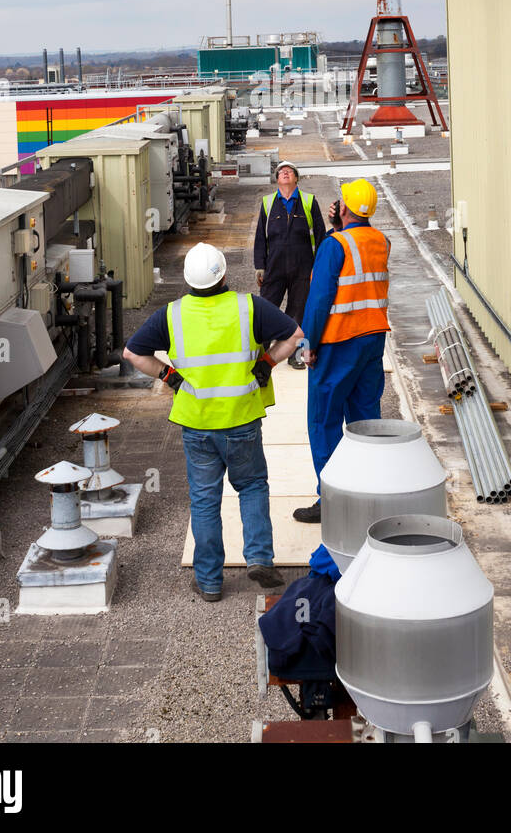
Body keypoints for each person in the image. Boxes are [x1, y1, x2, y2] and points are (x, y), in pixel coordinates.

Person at [122, 242, 303, 601]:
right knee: (251, 486)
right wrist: (266, 363)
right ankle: (258, 557)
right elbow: (294, 336)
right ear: (223, 274)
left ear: (188, 279)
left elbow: (132, 353)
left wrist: (170, 376)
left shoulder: (170, 315)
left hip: (198, 424)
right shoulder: (248, 306)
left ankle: (208, 581)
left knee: (204, 500)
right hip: (242, 420)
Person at [293, 179, 390, 524]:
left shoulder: (334, 246)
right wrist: (342, 225)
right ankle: (369, 493)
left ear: (343, 207)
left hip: (337, 342)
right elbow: (360, 263)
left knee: (324, 420)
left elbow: (319, 301)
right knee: (365, 419)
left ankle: (332, 499)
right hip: (372, 338)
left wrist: (308, 345)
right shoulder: (381, 240)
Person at [254, 159, 327, 334]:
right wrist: (260, 266)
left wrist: (318, 268)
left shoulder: (309, 202)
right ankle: (261, 354)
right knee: (265, 311)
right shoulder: (268, 203)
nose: (285, 173)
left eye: (290, 171)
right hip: (274, 267)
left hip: (302, 268)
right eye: (281, 171)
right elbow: (260, 238)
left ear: (296, 178)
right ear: (277, 179)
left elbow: (320, 236)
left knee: (298, 313)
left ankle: (295, 356)